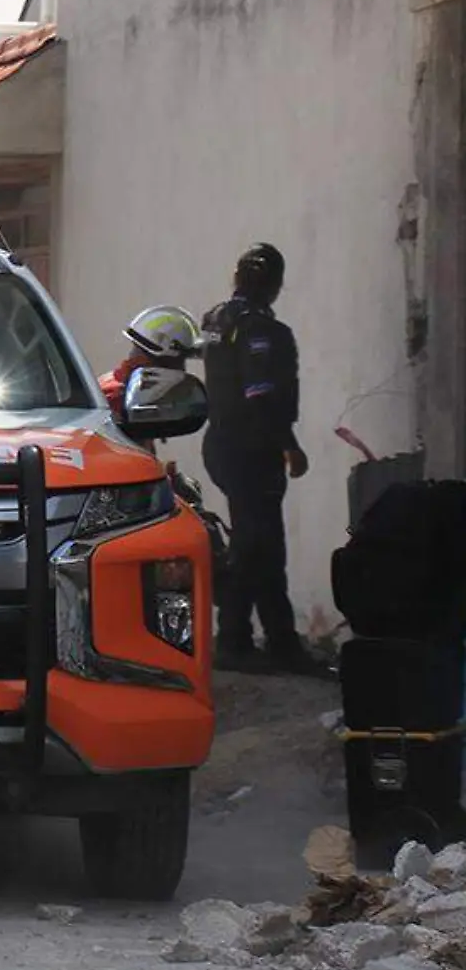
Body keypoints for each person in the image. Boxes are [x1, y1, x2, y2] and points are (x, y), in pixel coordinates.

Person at [202, 242, 312, 674]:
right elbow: (260, 394)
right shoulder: (264, 331)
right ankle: (237, 641)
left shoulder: (216, 320)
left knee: (258, 542)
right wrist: (289, 445)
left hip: (223, 445)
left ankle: (272, 640)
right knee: (258, 546)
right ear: (275, 285)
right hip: (254, 448)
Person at [101, 305, 202, 420]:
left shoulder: (127, 385)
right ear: (168, 358)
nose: (182, 370)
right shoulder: (118, 397)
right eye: (181, 360)